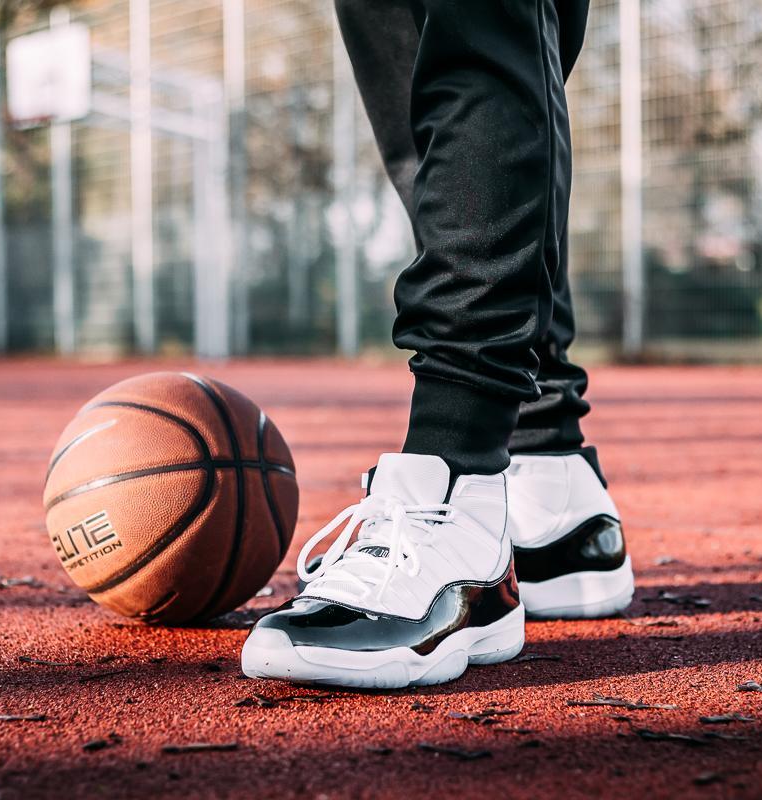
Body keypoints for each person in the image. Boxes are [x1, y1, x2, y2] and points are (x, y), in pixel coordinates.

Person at [240, 0, 634, 688]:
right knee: (412, 46)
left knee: (483, 34)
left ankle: (458, 483)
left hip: (462, 445)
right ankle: (550, 486)